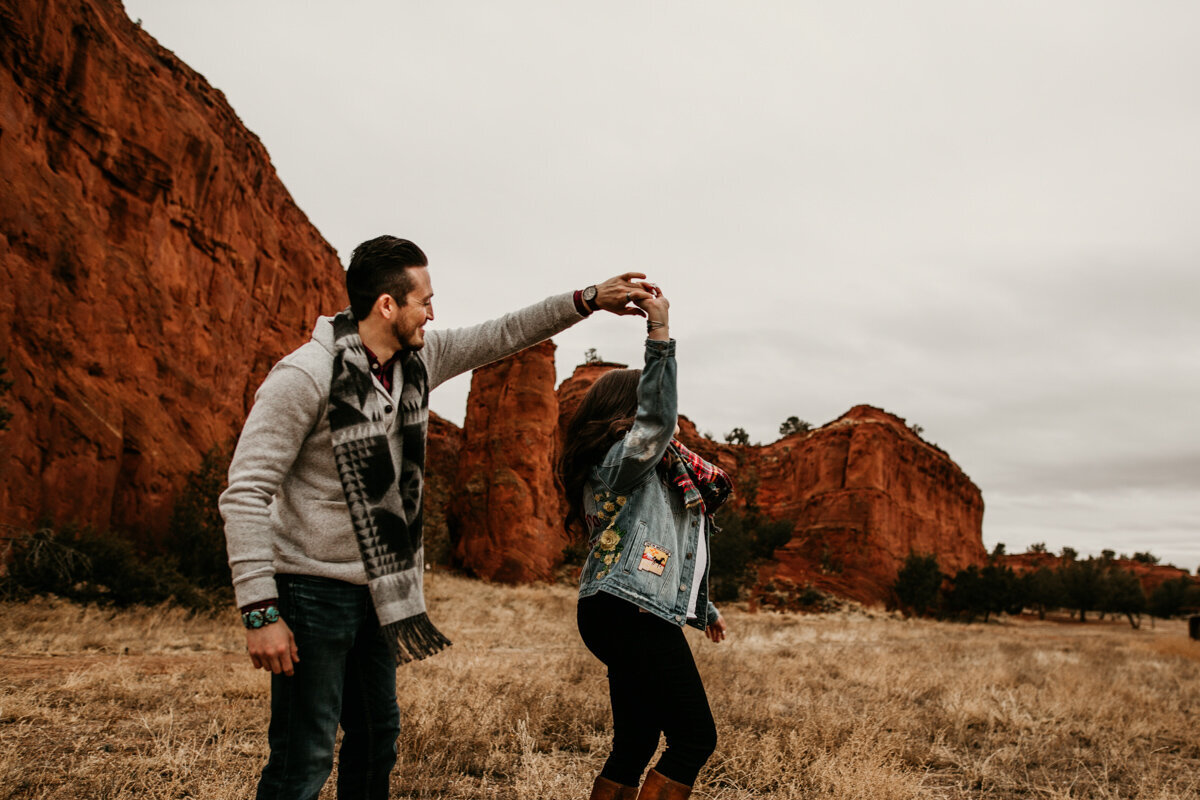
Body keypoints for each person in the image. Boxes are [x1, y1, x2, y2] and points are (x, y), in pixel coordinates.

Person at [219, 234, 656, 800]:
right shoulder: (304, 376)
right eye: (425, 300)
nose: (432, 312)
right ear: (387, 306)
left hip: (381, 592)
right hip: (311, 591)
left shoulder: (418, 362)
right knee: (304, 755)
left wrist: (590, 297)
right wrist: (260, 610)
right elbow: (246, 492)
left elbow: (505, 332)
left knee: (378, 740)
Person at [559, 286, 734, 800]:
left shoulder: (633, 469)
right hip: (631, 611)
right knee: (694, 739)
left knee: (635, 743)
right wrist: (659, 332)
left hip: (616, 607)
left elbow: (661, 545)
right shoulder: (623, 456)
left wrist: (704, 606)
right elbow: (658, 421)